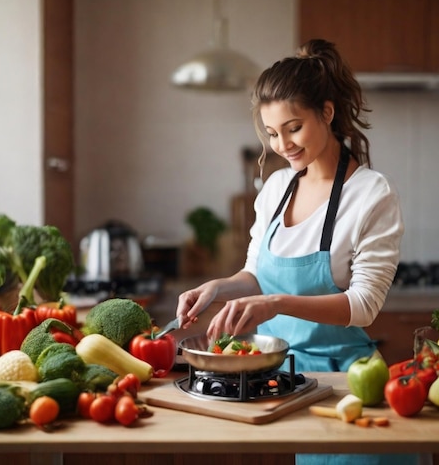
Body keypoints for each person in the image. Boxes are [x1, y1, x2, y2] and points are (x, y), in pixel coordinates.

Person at [176, 39, 417, 465]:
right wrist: (218, 287)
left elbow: (364, 307)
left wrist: (276, 304)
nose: (283, 145)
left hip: (348, 384)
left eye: (293, 128)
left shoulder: (371, 194)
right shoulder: (275, 189)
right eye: (272, 133)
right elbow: (255, 274)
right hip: (287, 382)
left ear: (326, 112)